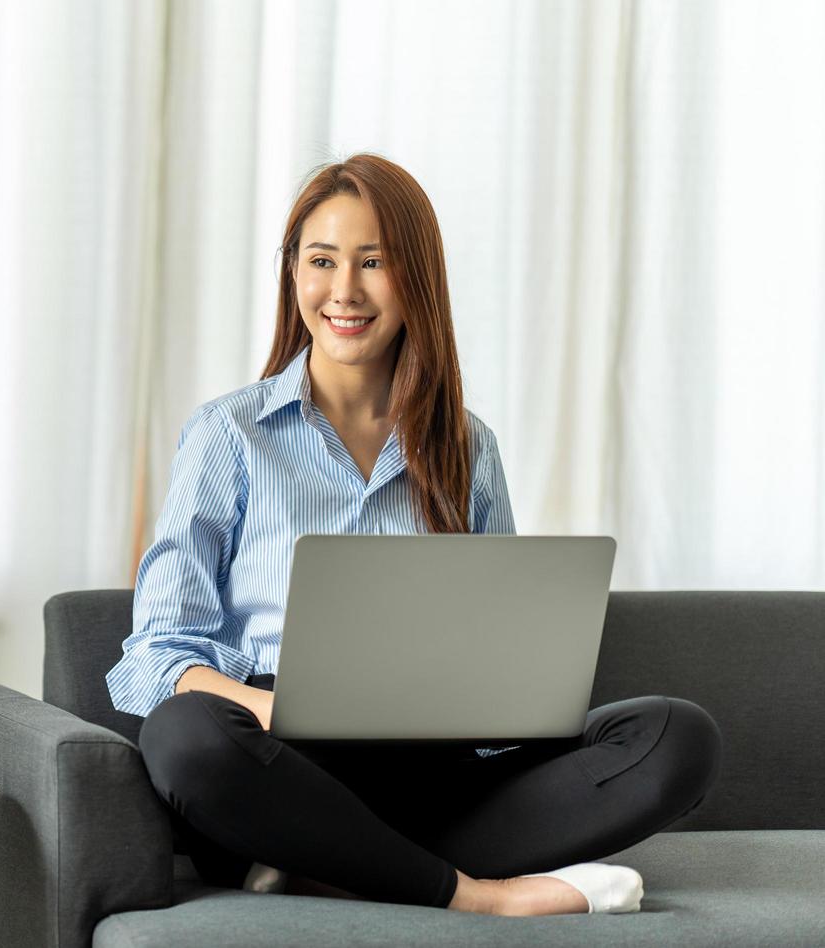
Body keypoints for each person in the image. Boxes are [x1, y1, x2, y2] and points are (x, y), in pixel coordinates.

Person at [104, 154, 722, 916]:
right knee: (185, 737)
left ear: (416, 279)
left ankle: (329, 868)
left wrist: (515, 709)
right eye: (321, 261)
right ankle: (473, 894)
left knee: (673, 735)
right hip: (278, 758)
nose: (344, 291)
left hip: (434, 767)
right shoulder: (228, 436)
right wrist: (273, 711)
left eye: (373, 263)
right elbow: (157, 654)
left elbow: (505, 654)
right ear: (292, 273)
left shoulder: (467, 447)